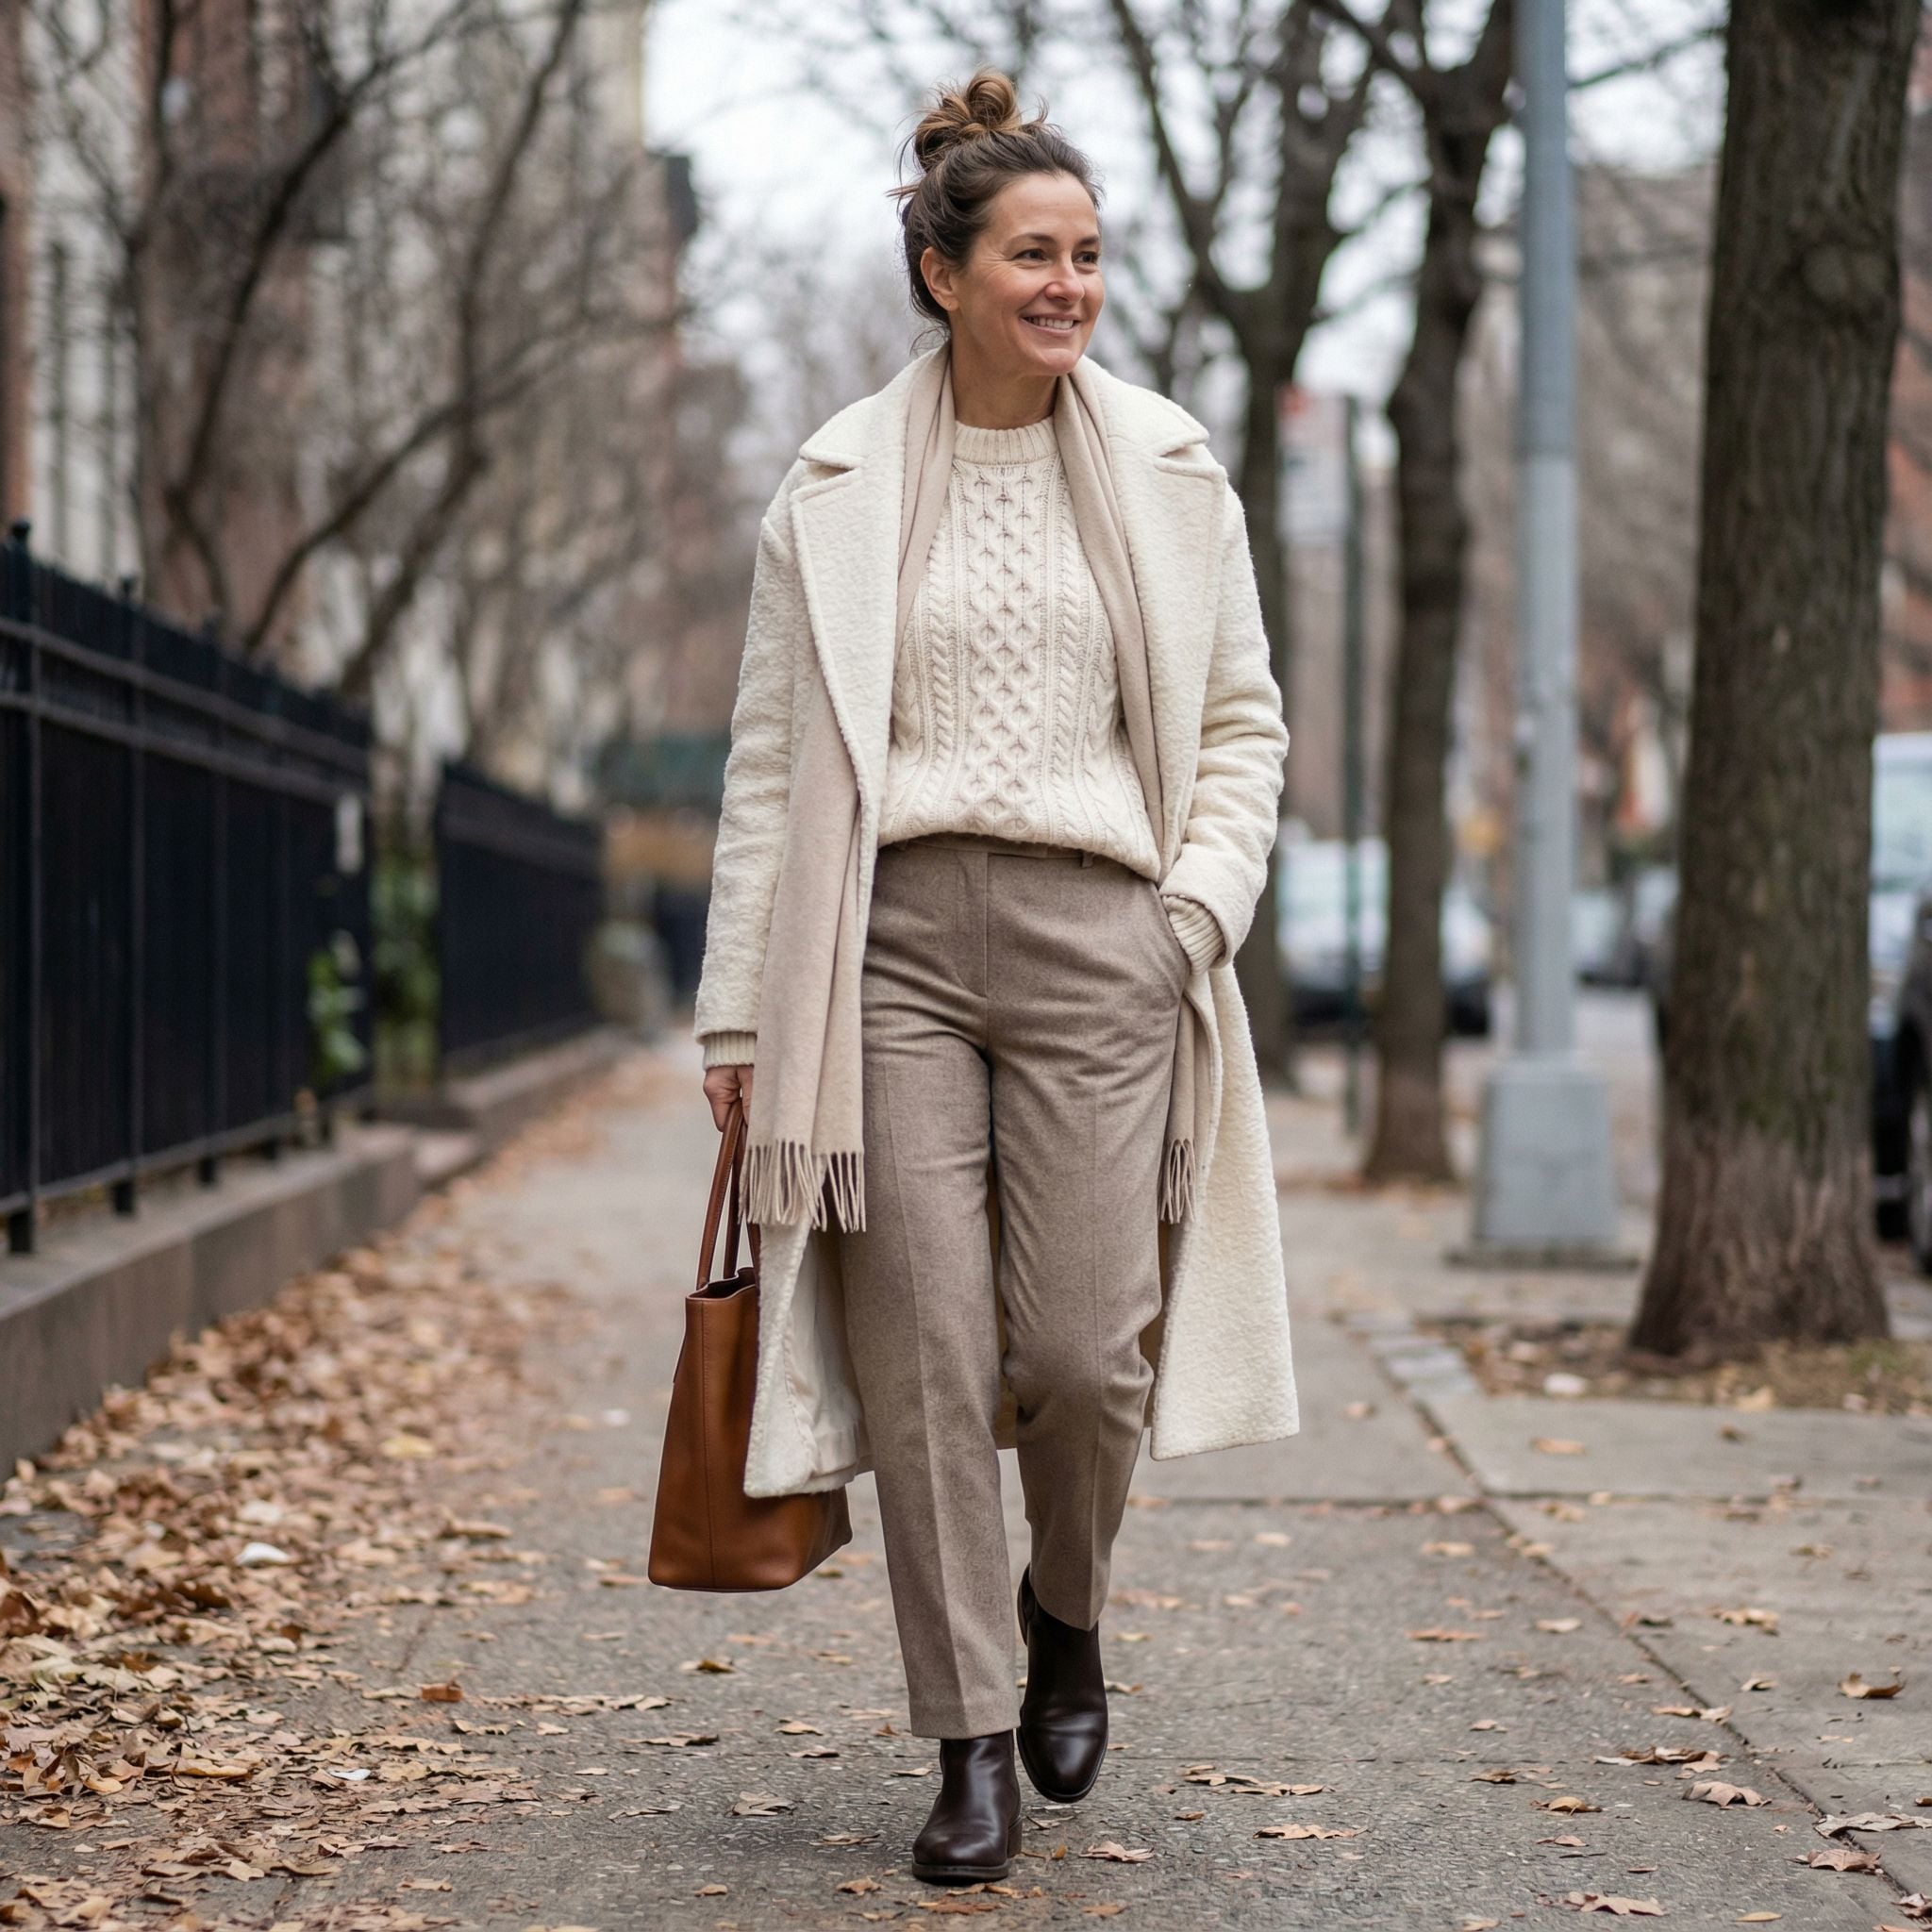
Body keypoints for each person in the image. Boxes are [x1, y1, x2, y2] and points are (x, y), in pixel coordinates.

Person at [691, 66, 1297, 1888]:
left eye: (1090, 256)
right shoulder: (838, 487)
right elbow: (774, 764)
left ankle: (1066, 1613)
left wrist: (1188, 915)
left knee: (1083, 1352)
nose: (1069, 285)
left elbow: (1240, 725)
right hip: (882, 954)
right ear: (944, 271)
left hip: (1103, 940)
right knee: (930, 1356)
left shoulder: (1176, 470)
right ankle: (966, 1741)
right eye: (1033, 253)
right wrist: (739, 1009)